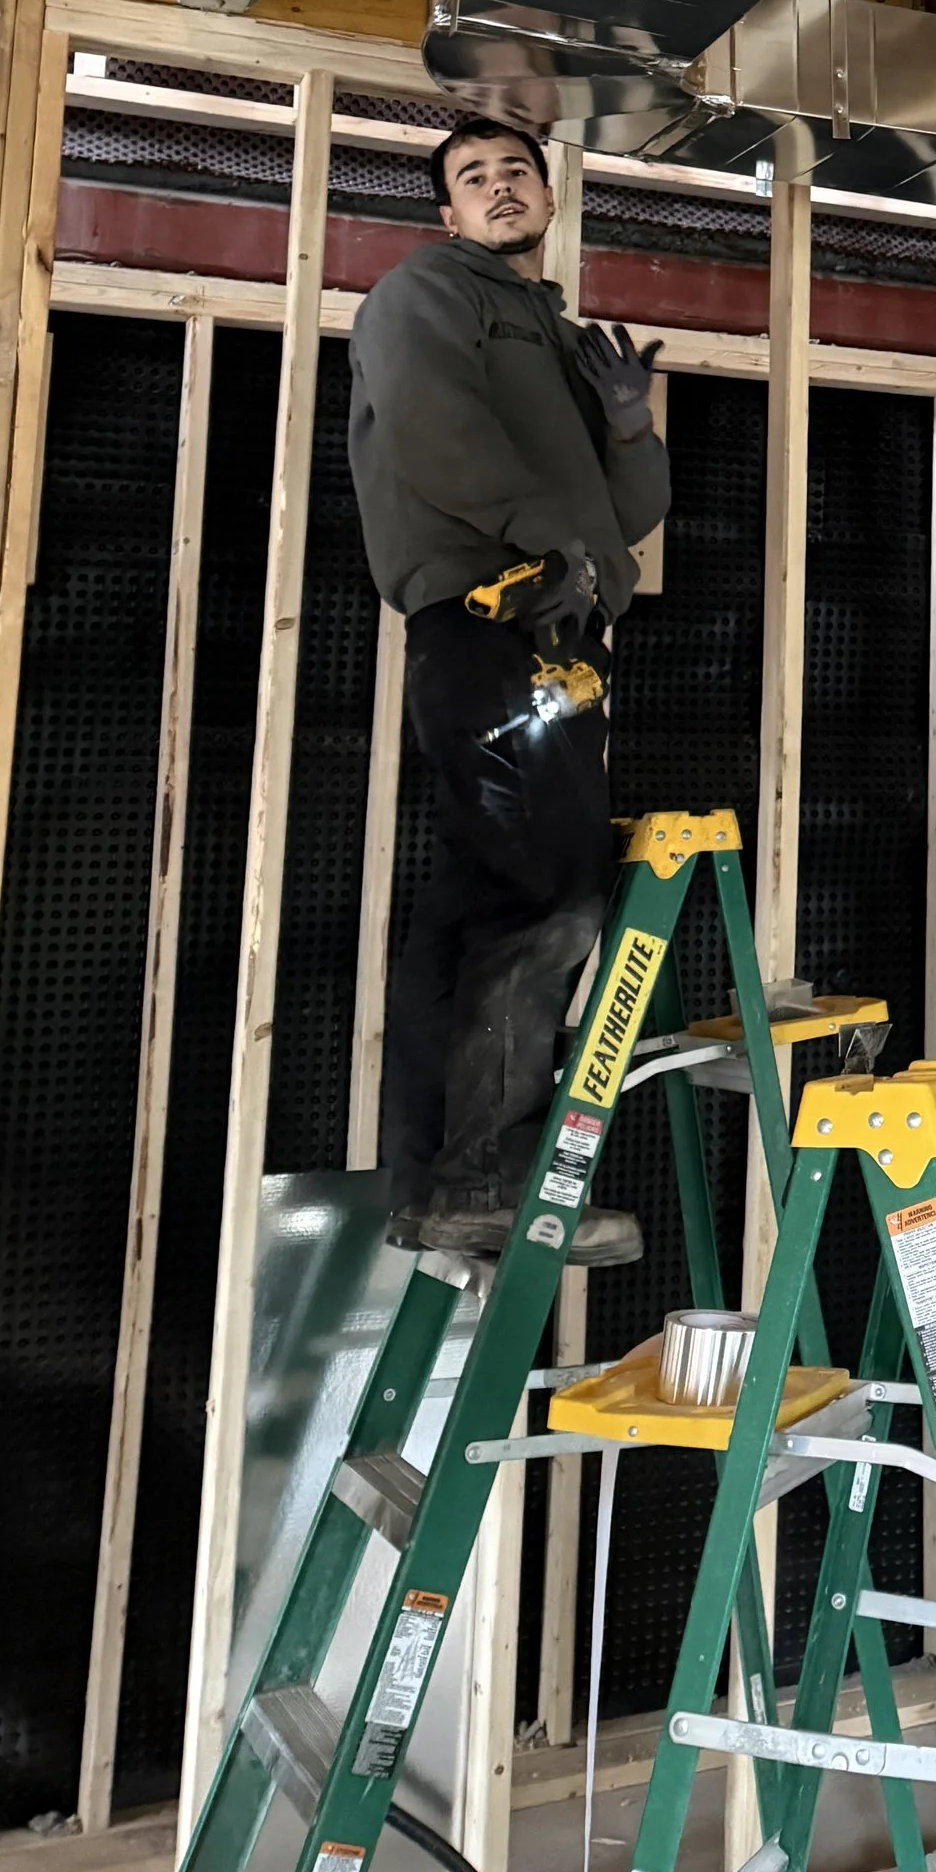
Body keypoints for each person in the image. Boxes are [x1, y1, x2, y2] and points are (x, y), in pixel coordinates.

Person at [348, 115, 668, 1262]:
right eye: (473, 177)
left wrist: (626, 430)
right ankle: (484, 1175)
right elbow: (435, 436)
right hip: (495, 618)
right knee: (547, 893)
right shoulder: (428, 292)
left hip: (551, 620)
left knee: (492, 895)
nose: (498, 188)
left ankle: (443, 1180)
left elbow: (624, 519)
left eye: (517, 171)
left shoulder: (554, 333)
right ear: (448, 212)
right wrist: (552, 548)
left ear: (549, 194)